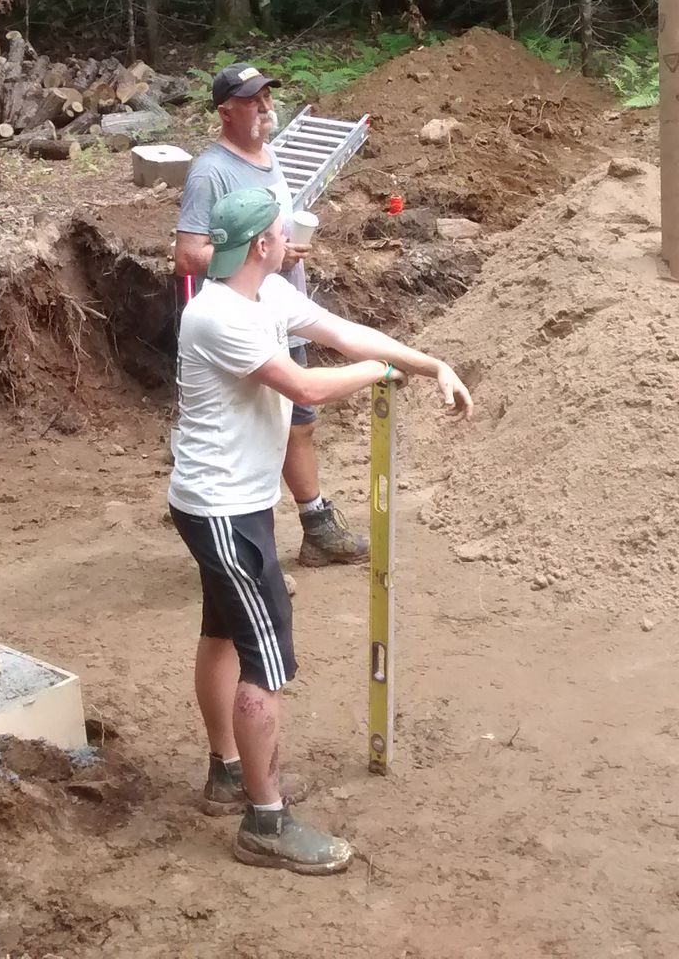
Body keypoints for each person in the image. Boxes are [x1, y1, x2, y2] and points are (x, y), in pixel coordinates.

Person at [169, 187, 473, 874]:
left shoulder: (264, 293)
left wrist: (427, 363)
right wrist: (378, 373)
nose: (291, 241)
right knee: (265, 658)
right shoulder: (217, 315)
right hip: (223, 510)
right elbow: (304, 388)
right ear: (261, 245)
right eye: (283, 233)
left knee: (224, 631)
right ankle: (265, 821)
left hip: (227, 503)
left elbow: (342, 333)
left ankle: (227, 771)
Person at [174, 62, 367, 568]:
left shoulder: (269, 156)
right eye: (252, 100)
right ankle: (245, 551)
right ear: (226, 112)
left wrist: (282, 250)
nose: (264, 106)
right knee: (261, 425)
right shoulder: (210, 172)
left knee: (299, 421)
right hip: (242, 317)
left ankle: (315, 527)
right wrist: (255, 256)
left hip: (280, 308)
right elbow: (187, 255)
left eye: (266, 96)